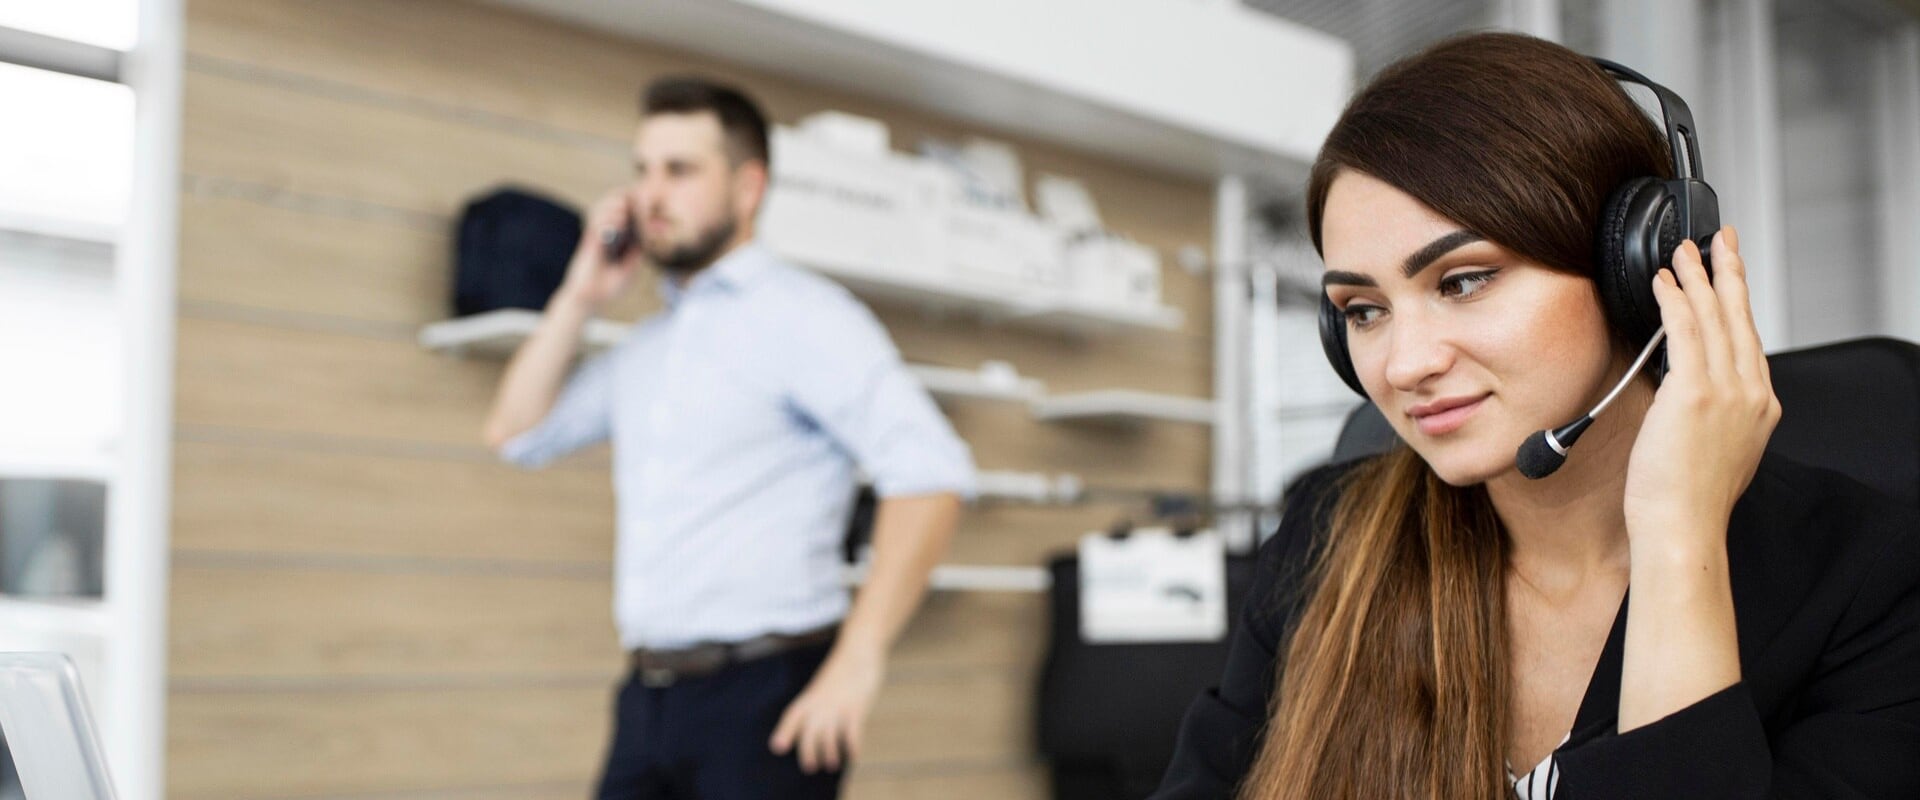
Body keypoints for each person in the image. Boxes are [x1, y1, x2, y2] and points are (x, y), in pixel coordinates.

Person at [1152, 33, 1920, 800]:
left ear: (1635, 268)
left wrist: (1678, 542)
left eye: (1463, 281)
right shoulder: (1326, 538)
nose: (1404, 366)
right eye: (1363, 310)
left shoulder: (1869, 581)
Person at [481, 76, 975, 799]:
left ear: (748, 188)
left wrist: (858, 660)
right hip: (647, 696)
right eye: (643, 170)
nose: (651, 195)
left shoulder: (808, 317)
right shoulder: (647, 347)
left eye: (680, 171)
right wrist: (579, 297)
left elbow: (931, 473)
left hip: (765, 699)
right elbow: (514, 434)